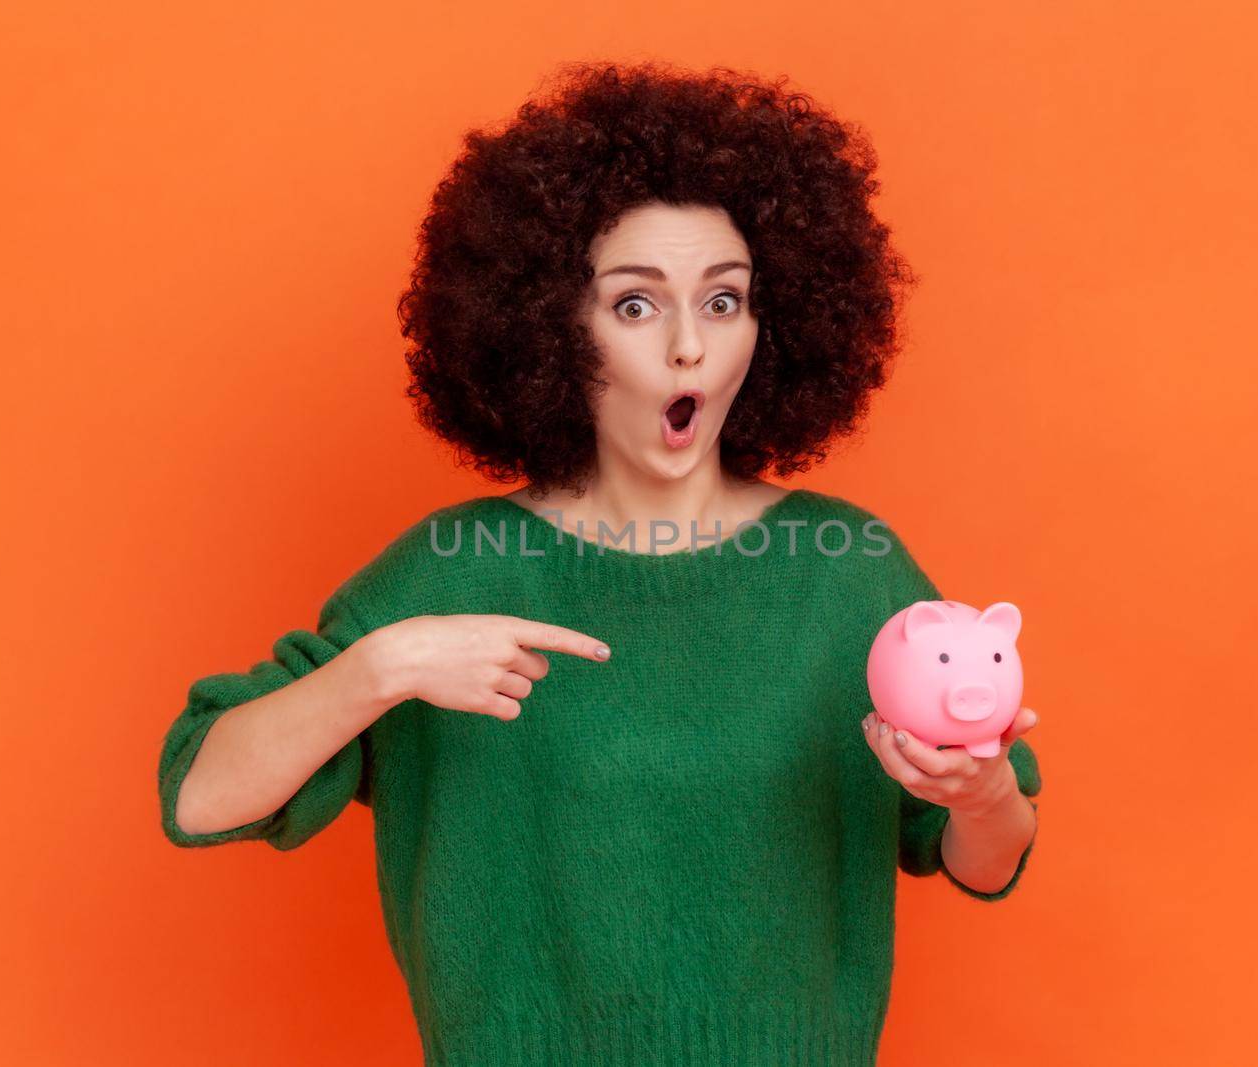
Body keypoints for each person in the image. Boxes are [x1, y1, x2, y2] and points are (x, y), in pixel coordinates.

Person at [157, 59, 1042, 1066]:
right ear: (550, 327)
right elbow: (198, 795)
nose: (684, 349)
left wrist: (980, 797)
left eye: (722, 302)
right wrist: (384, 667)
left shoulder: (847, 573)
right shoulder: (450, 574)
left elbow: (985, 861)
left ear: (774, 321)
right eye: (633, 305)